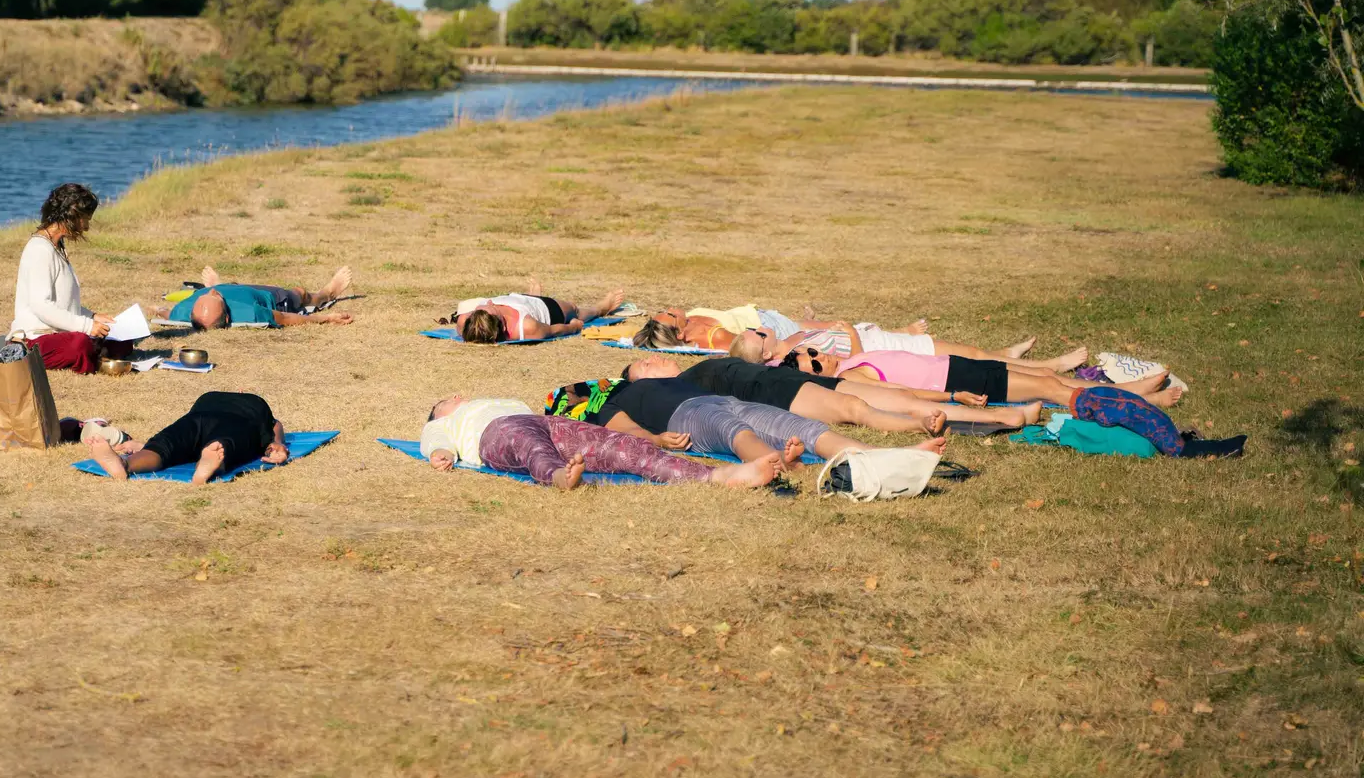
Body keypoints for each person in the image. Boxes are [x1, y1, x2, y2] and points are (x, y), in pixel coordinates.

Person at [546, 373, 948, 471]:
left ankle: (889, 455)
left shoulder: (643, 381)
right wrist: (658, 439)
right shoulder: (605, 407)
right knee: (734, 434)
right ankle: (774, 464)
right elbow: (627, 431)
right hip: (688, 418)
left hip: (723, 398)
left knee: (804, 428)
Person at [419, 395, 780, 490]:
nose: (453, 398)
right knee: (532, 450)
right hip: (496, 434)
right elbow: (434, 436)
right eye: (443, 402)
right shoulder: (450, 420)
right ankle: (560, 478)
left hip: (545, 422)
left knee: (623, 448)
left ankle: (718, 477)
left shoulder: (492, 400)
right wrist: (440, 451)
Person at [618, 354, 1042, 434]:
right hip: (773, 395)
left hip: (787, 380)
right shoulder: (678, 388)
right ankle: (999, 419)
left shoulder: (697, 364)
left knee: (892, 394)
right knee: (855, 409)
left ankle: (1011, 412)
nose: (651, 363)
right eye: (644, 367)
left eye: (648, 360)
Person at [638, 306, 1085, 370]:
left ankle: (1011, 357)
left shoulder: (788, 341)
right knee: (966, 356)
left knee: (968, 353)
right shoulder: (788, 351)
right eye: (757, 332)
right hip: (880, 349)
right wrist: (849, 331)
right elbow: (848, 361)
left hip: (876, 338)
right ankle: (1041, 367)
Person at [795, 346, 1184, 409]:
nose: (817, 358)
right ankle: (1143, 401)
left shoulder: (849, 357)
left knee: (1048, 376)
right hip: (957, 381)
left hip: (957, 365)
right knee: (1051, 391)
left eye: (812, 352)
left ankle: (1130, 389)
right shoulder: (853, 377)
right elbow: (900, 391)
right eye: (811, 365)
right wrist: (953, 398)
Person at [9, 183, 113, 373]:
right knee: (81, 343)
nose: (87, 227)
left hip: (59, 332)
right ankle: (92, 354)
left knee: (119, 341)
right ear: (71, 216)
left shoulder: (56, 246)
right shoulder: (39, 250)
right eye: (85, 220)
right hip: (35, 338)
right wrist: (87, 326)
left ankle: (96, 351)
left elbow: (62, 302)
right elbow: (42, 306)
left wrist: (92, 316)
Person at [84, 392, 287, 485]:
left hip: (195, 419)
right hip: (235, 423)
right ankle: (205, 466)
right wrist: (277, 444)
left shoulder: (210, 396)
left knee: (164, 446)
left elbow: (275, 427)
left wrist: (141, 445)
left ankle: (125, 464)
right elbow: (276, 425)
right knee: (222, 446)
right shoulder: (256, 404)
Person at [166, 265, 355, 330]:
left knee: (230, 287)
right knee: (299, 293)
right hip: (271, 298)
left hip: (234, 291)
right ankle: (325, 294)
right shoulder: (251, 312)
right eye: (216, 295)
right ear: (227, 318)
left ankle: (221, 284)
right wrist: (326, 318)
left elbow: (165, 313)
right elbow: (286, 318)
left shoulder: (182, 311)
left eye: (211, 293)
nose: (213, 293)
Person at [444, 281, 625, 343]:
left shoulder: (465, 322)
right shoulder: (527, 327)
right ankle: (601, 308)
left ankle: (531, 296)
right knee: (574, 309)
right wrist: (574, 327)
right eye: (490, 306)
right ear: (500, 321)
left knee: (523, 301)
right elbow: (555, 330)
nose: (490, 301)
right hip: (544, 309)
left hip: (515, 299)